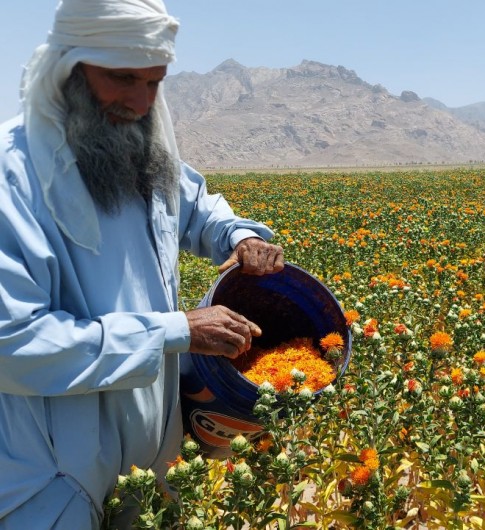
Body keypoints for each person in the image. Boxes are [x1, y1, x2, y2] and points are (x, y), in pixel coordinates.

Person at [0, 0, 284, 527]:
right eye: (123, 78)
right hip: (51, 479)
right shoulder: (11, 180)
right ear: (69, 70)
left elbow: (196, 206)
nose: (141, 100)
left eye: (155, 82)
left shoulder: (136, 146)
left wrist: (241, 235)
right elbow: (13, 344)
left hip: (153, 462)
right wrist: (173, 333)